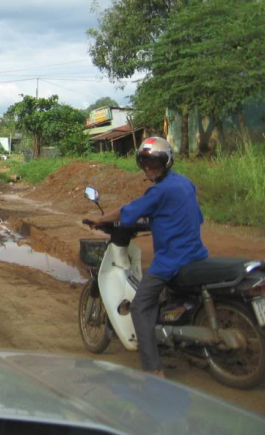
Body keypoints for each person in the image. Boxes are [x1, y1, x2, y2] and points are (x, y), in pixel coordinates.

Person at [90, 137, 208, 377]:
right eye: (145, 162)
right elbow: (189, 215)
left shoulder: (158, 191)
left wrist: (99, 219)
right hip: (197, 254)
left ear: (167, 161)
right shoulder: (185, 183)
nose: (149, 167)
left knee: (141, 306)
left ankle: (153, 369)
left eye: (154, 162)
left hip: (172, 260)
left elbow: (127, 211)